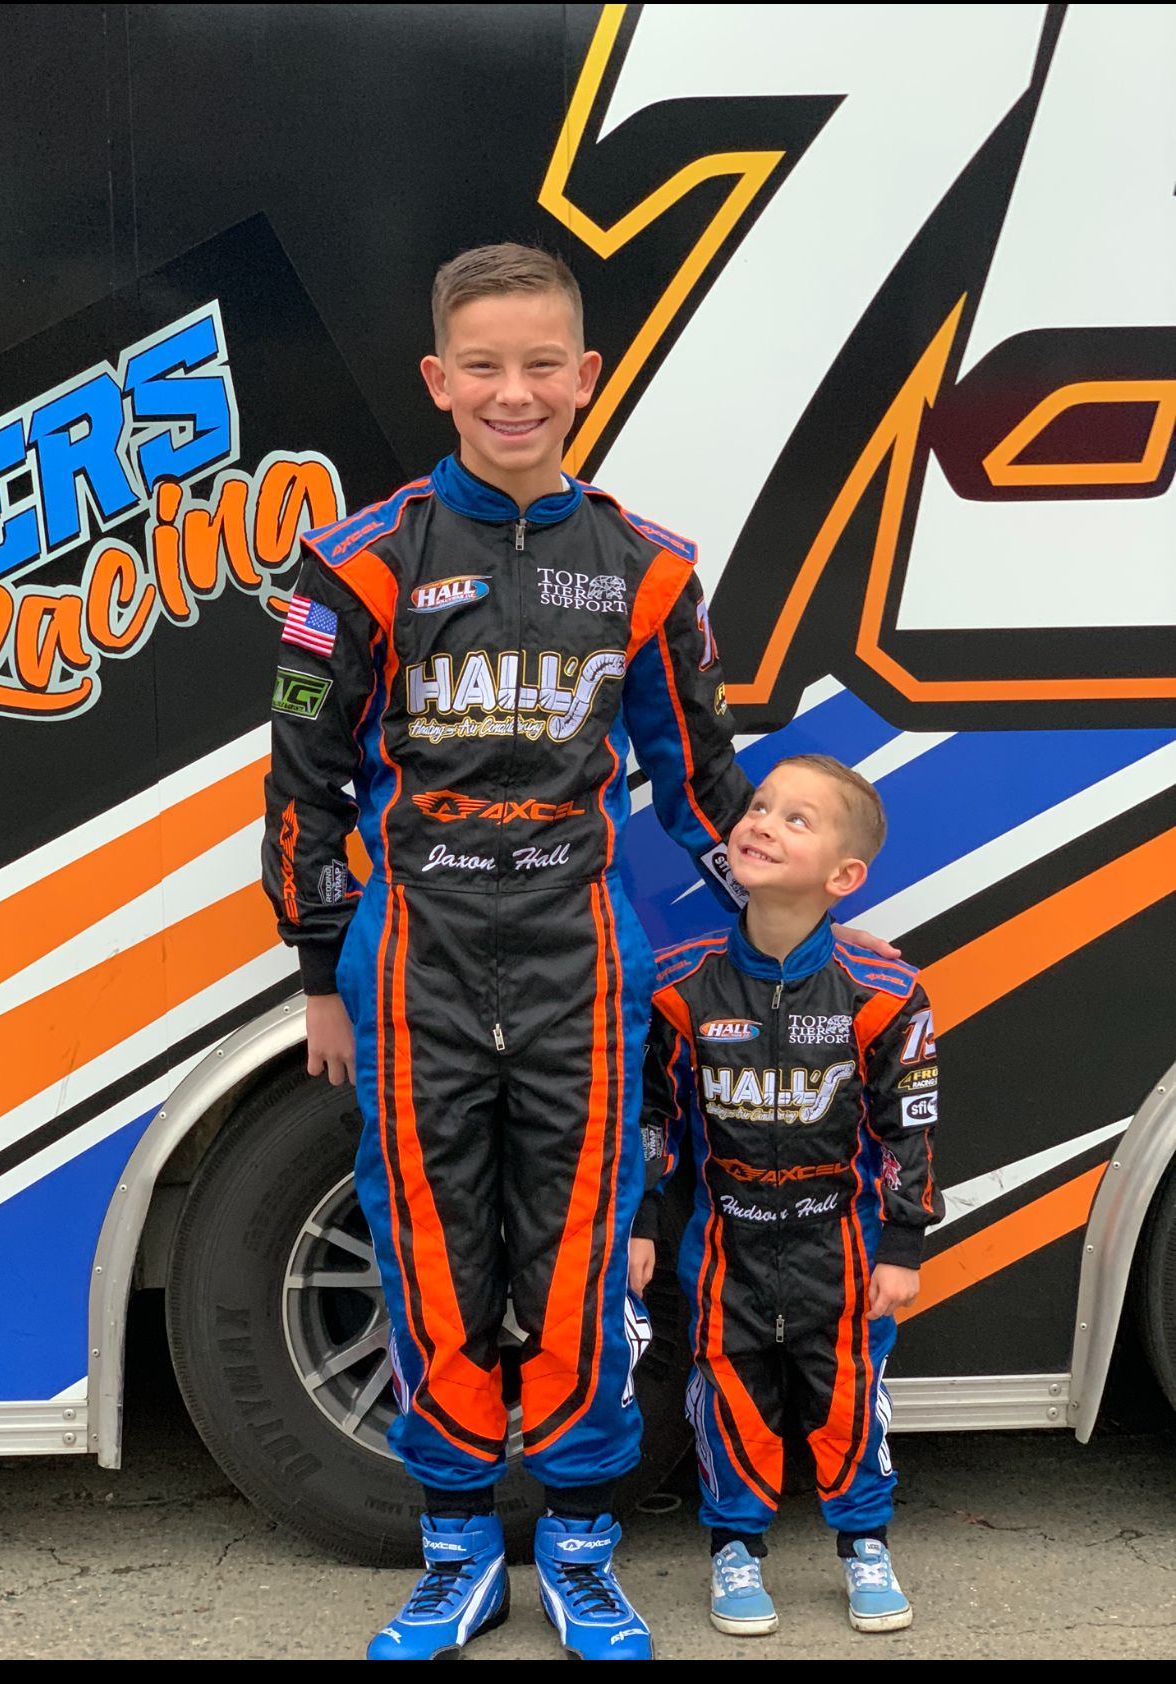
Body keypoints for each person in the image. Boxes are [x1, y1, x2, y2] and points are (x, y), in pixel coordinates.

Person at [261, 245, 895, 1662]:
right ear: (437, 381)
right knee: (432, 1257)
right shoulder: (357, 562)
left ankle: (582, 1555)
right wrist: (319, 974)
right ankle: (452, 1557)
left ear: (585, 377)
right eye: (482, 365)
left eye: (542, 363)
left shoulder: (648, 567)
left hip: (579, 959)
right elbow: (300, 790)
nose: (513, 391)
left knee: (578, 1265)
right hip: (411, 958)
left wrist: (803, 934)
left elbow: (700, 782)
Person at [630, 754, 942, 1639]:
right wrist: (645, 1220)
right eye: (759, 808)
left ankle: (865, 1545)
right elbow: (649, 1115)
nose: (763, 822)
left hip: (837, 1238)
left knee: (847, 1393)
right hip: (720, 1238)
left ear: (844, 877)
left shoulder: (885, 992)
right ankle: (735, 1548)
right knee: (728, 1392)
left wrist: (904, 1244)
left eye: (796, 820)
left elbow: (910, 1125)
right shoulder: (678, 983)